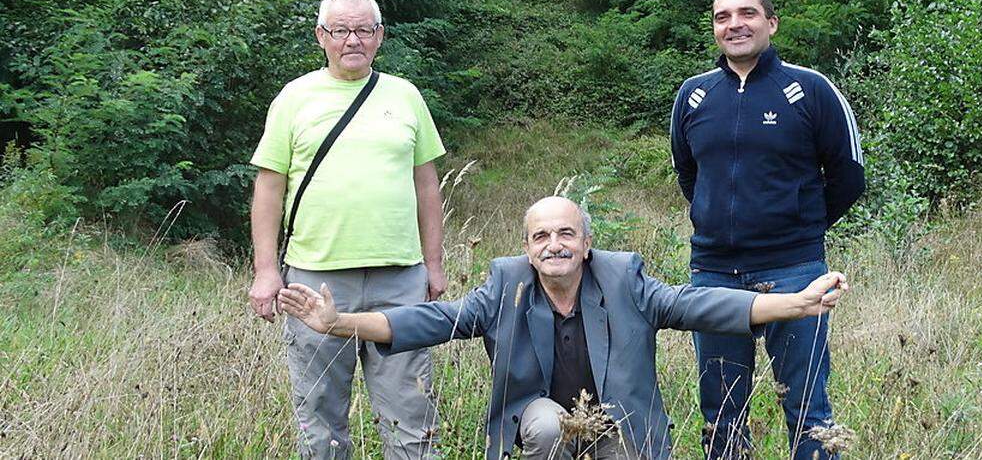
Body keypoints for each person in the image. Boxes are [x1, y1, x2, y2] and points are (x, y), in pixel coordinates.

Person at [278, 197, 849, 460]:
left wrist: (793, 305)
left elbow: (701, 306)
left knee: (627, 446)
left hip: (616, 420)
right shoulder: (507, 288)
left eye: (567, 234)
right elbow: (431, 320)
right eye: (541, 237)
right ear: (527, 249)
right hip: (540, 422)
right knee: (550, 424)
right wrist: (338, 322)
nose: (555, 245)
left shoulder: (625, 280)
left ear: (587, 243)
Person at [247, 0, 448, 458]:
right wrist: (264, 270)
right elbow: (268, 188)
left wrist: (433, 264)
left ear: (380, 37)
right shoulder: (295, 97)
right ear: (321, 36)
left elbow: (427, 186)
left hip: (400, 280)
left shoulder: (406, 95)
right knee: (320, 418)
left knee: (411, 416)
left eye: (363, 30)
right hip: (314, 280)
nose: (351, 40)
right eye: (340, 30)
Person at [669, 0, 866, 459]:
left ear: (771, 23)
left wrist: (798, 227)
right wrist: (717, 223)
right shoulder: (694, 95)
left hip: (794, 271)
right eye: (722, 17)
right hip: (713, 273)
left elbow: (849, 175)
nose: (734, 24)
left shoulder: (810, 90)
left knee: (807, 408)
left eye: (747, 14)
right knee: (720, 413)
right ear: (715, 29)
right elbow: (688, 174)